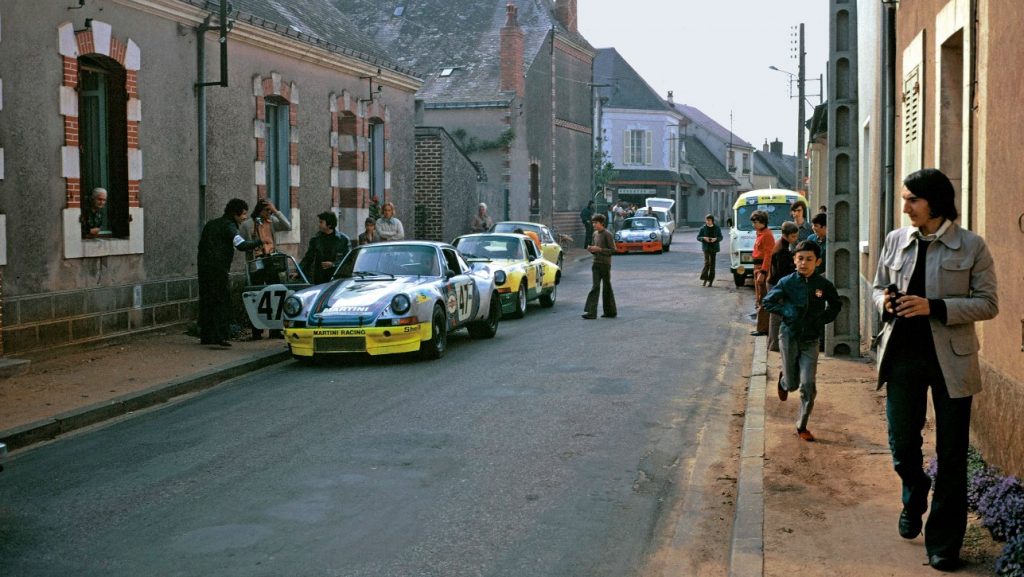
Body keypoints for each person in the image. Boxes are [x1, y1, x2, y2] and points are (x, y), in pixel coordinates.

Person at [872, 168, 998, 572]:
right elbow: (876, 287)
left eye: (912, 199)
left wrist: (936, 307)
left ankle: (944, 544)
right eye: (905, 199)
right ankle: (914, 489)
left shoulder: (972, 246)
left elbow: (988, 303)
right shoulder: (896, 239)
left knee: (953, 454)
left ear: (935, 202)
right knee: (902, 445)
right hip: (903, 357)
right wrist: (885, 304)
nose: (905, 206)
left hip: (952, 362)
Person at [763, 240, 841, 442]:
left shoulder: (823, 285)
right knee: (792, 385)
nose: (804, 263)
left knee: (808, 384)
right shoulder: (787, 282)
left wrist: (822, 319)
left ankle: (802, 425)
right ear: (794, 260)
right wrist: (785, 311)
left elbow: (835, 305)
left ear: (818, 262)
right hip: (789, 336)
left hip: (811, 340)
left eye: (809, 259)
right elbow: (768, 301)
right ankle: (784, 380)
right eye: (800, 259)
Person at [197, 198, 261, 347]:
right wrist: (259, 242)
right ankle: (220, 337)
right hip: (219, 269)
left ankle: (206, 336)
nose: (245, 217)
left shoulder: (211, 224)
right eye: (243, 214)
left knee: (206, 302)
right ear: (235, 214)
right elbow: (241, 245)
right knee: (221, 301)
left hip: (204, 268)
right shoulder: (229, 226)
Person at [239, 199, 293, 339]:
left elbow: (287, 226)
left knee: (275, 294)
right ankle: (257, 331)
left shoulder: (272, 222)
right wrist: (255, 244)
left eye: (270, 211)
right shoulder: (248, 225)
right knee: (255, 294)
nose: (269, 213)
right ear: (259, 210)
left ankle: (275, 330)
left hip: (271, 260)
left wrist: (276, 211)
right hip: (256, 261)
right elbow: (242, 244)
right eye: (267, 210)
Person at [767, 221, 799, 352]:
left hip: (775, 283)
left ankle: (773, 343)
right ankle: (774, 345)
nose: (795, 239)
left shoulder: (783, 245)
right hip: (776, 284)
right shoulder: (782, 249)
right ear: (786, 235)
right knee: (776, 316)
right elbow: (782, 272)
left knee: (776, 316)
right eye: (794, 236)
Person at [582, 213, 617, 319]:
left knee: (607, 287)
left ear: (602, 223)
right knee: (595, 287)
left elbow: (613, 250)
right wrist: (591, 249)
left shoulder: (608, 234)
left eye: (595, 223)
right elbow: (595, 248)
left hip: (605, 264)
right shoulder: (595, 234)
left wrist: (600, 250)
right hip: (595, 263)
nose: (594, 225)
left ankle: (610, 312)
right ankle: (591, 312)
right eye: (593, 223)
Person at [300, 211, 350, 285]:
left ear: (329, 225)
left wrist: (333, 264)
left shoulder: (343, 239)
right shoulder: (316, 239)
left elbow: (349, 259)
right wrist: (299, 271)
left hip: (337, 277)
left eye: (321, 222)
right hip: (320, 278)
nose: (319, 225)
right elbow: (308, 258)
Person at [750, 210, 775, 336]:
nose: (753, 224)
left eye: (756, 222)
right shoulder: (760, 233)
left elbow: (768, 255)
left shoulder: (767, 235)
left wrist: (763, 272)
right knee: (759, 297)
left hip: (761, 268)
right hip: (757, 267)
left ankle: (762, 328)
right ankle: (761, 326)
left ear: (763, 222)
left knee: (762, 297)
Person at [697, 214, 723, 287]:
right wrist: (703, 238)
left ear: (712, 221)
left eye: (709, 220)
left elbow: (721, 237)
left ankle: (710, 281)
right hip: (706, 248)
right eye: (707, 220)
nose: (708, 222)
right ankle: (705, 279)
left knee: (712, 265)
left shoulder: (717, 228)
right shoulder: (703, 228)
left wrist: (716, 239)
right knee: (707, 263)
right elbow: (698, 237)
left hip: (714, 248)